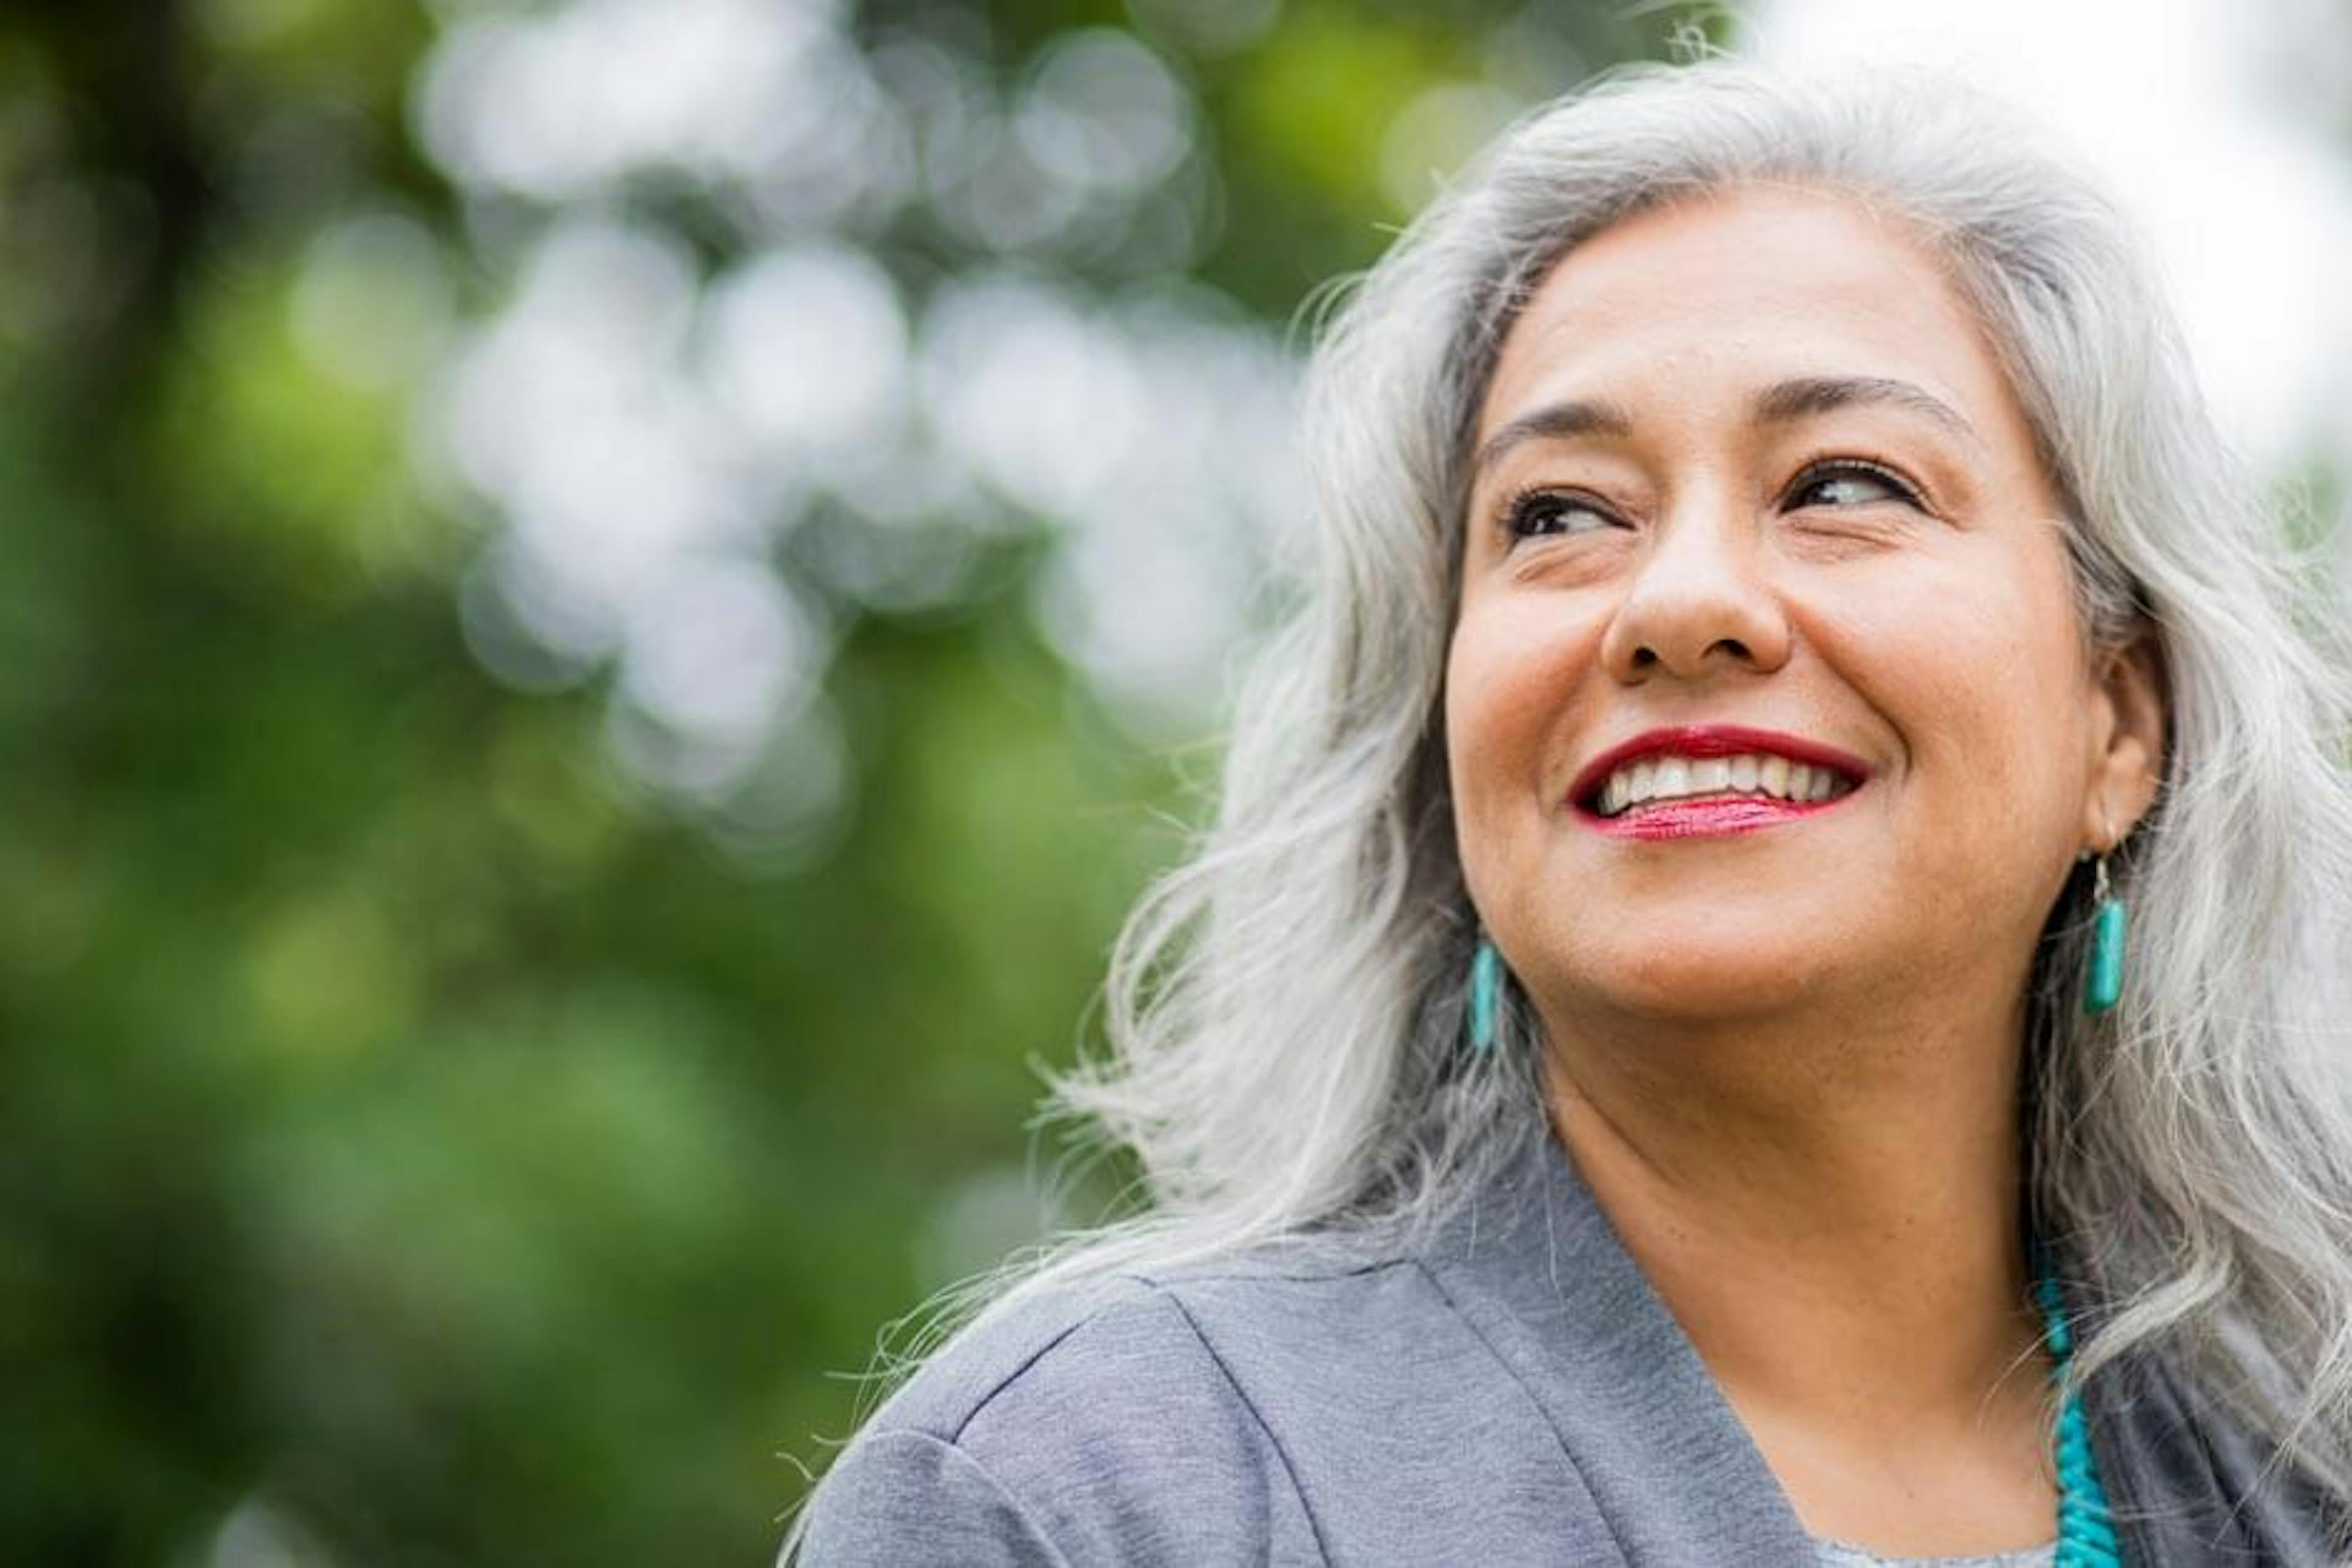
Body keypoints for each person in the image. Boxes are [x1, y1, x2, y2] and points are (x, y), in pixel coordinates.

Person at [784, 59, 2352, 1566]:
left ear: (2121, 722)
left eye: (1843, 483)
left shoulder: (2308, 1478)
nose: (1679, 601)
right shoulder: (1088, 1493)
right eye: (1559, 515)